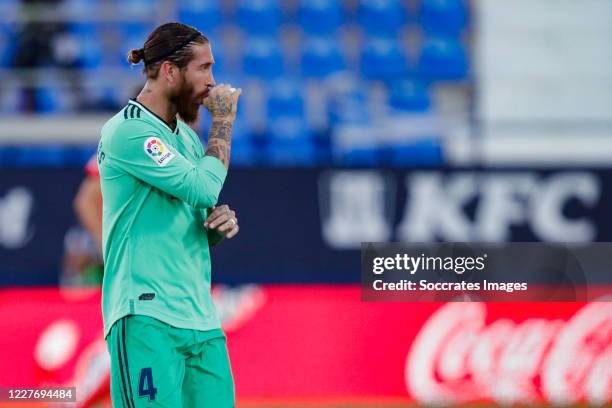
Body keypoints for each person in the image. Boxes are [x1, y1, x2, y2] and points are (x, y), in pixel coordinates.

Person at [97, 22, 241, 407]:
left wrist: (213, 227)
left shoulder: (186, 137)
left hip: (201, 320)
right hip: (146, 316)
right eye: (204, 67)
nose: (212, 81)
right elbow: (203, 187)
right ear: (170, 71)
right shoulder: (129, 132)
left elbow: (196, 206)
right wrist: (224, 122)